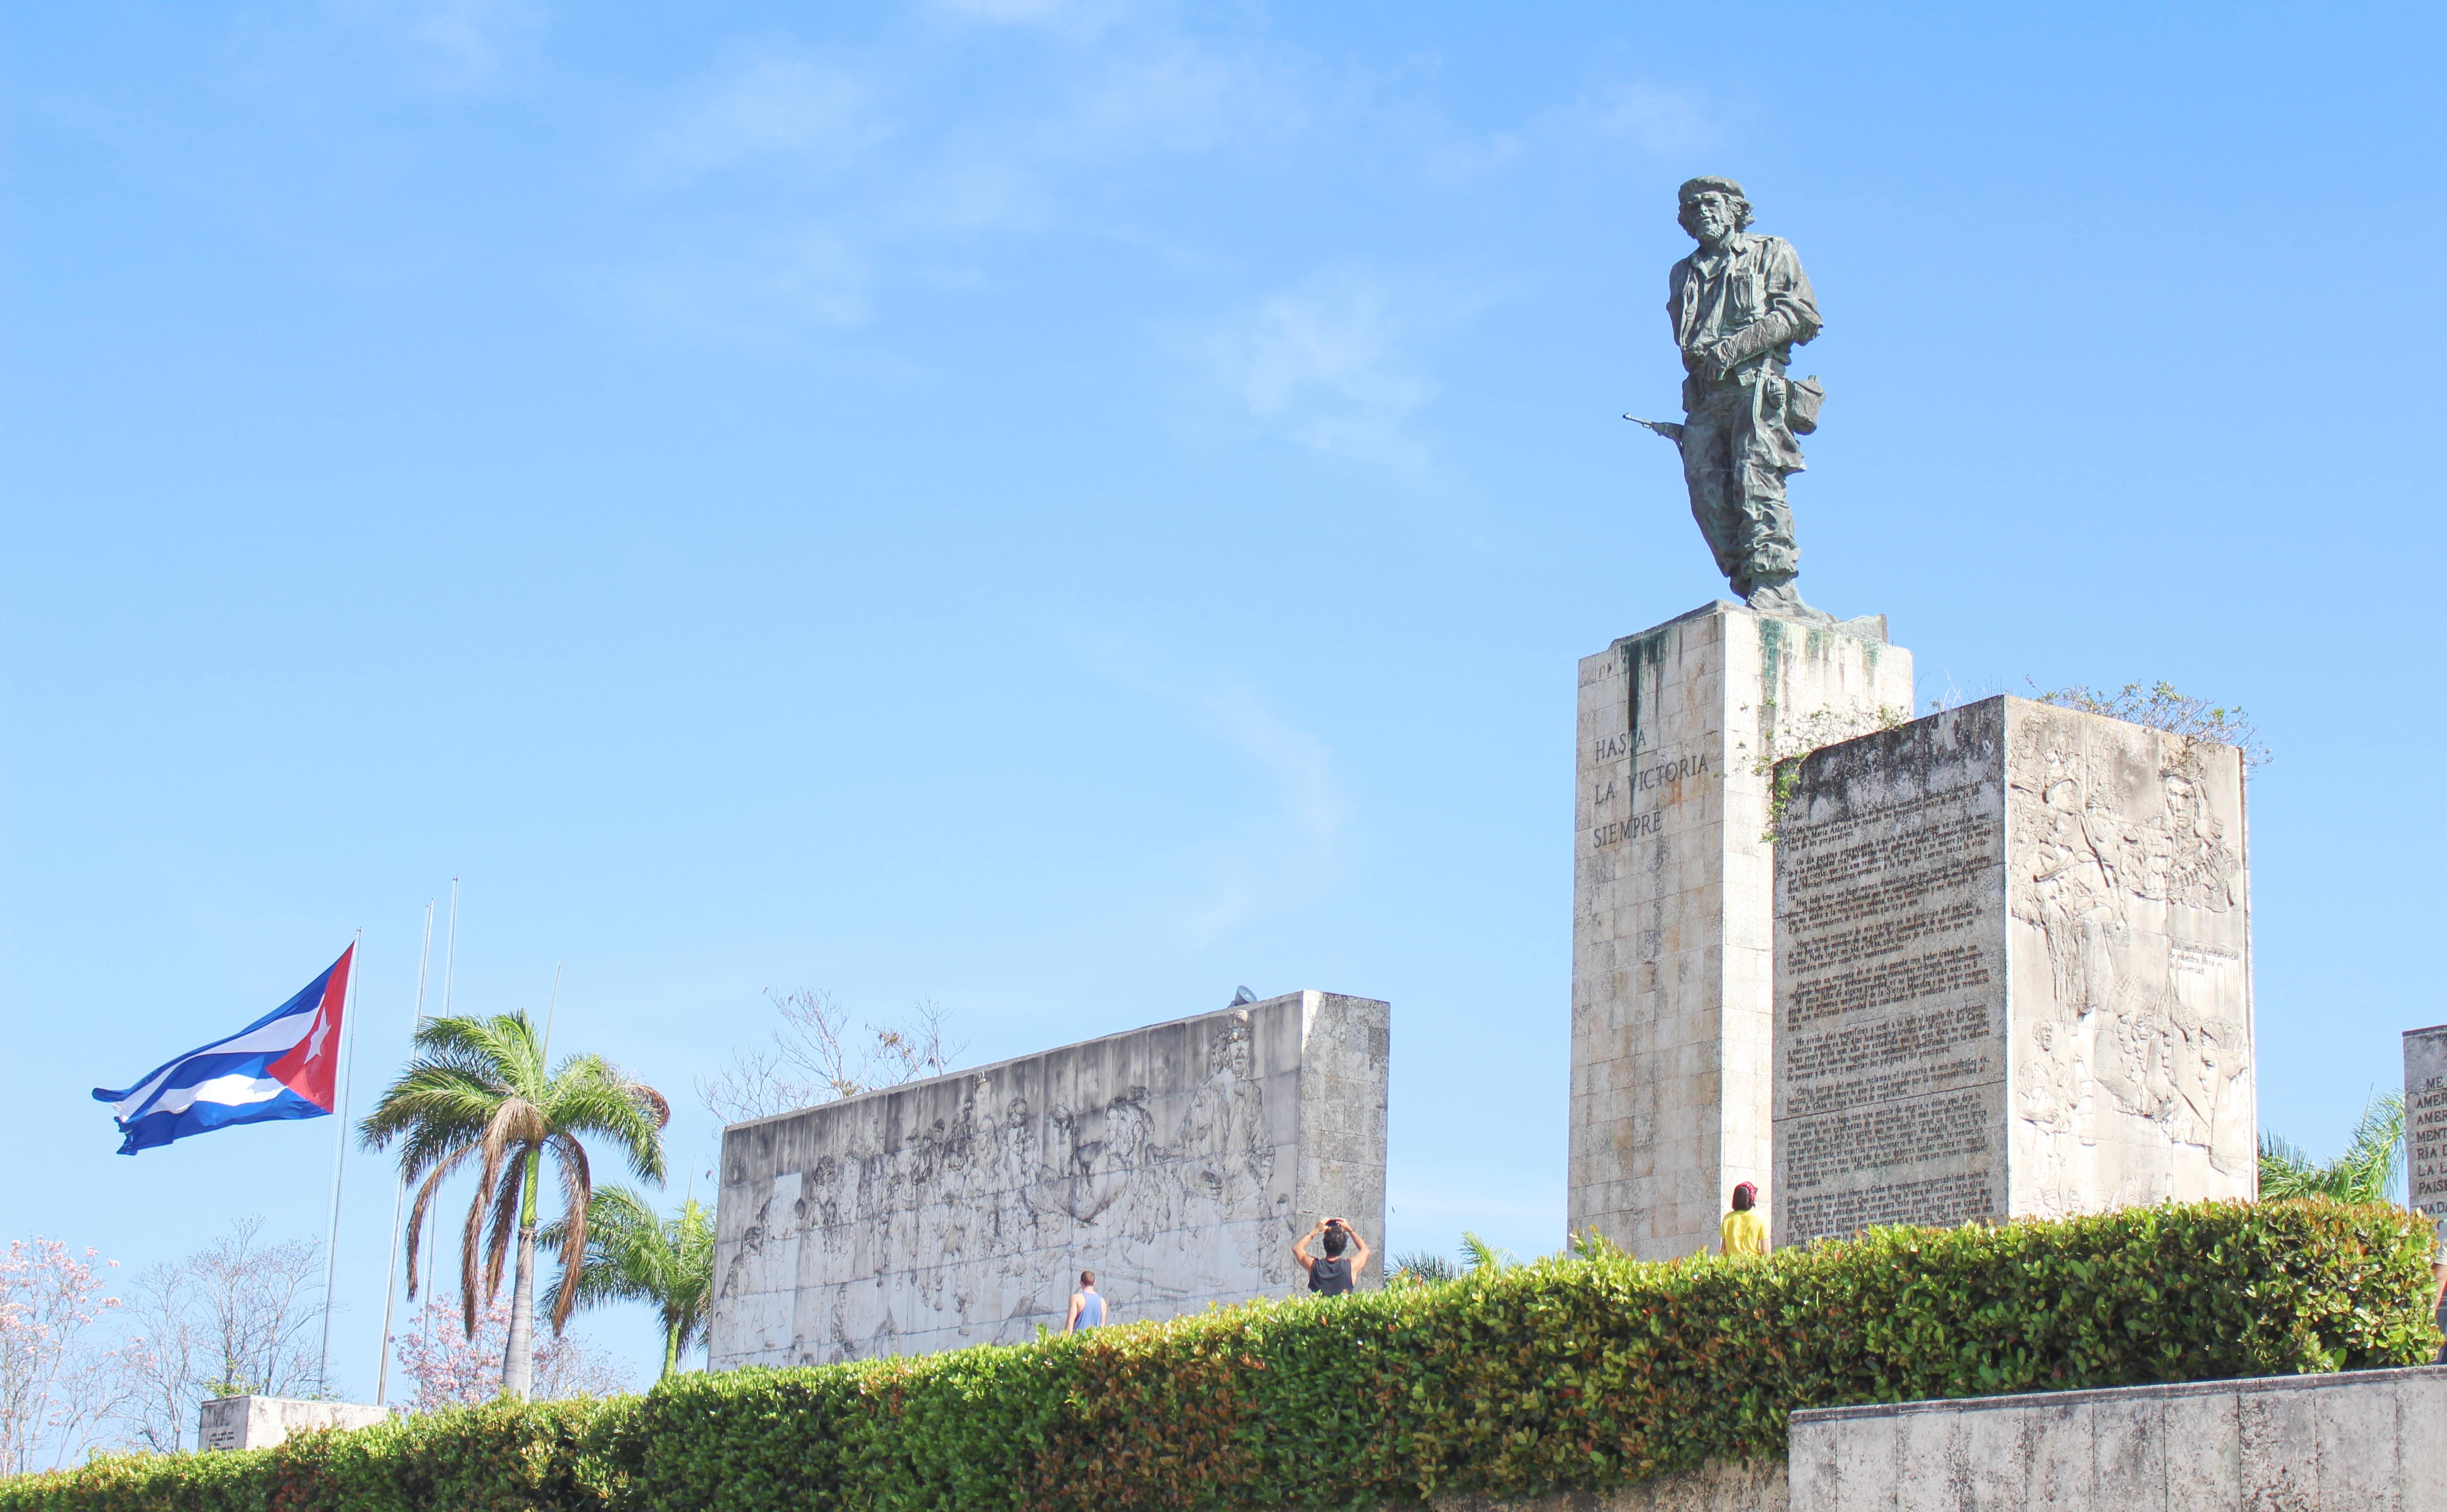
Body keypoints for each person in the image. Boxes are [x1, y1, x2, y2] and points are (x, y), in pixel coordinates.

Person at [1658, 176, 1830, 625]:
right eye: (1691, 208)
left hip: (1756, 384)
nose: (1702, 213)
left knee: (1757, 481)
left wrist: (1734, 349)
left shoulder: (1770, 252)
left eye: (1711, 203)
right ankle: (1746, 579)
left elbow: (1803, 315)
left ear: (1736, 209)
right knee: (1707, 494)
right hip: (1704, 396)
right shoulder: (1684, 272)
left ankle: (1774, 585)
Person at [1293, 1216, 1371, 1295]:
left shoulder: (1314, 1266)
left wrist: (1315, 1231)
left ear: (1324, 1243)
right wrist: (1350, 1229)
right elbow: (1366, 1250)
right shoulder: (1351, 1266)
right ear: (1344, 1245)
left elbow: (1297, 1249)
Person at [1720, 1182, 1769, 1257]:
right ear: (1752, 1198)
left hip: (1732, 1266)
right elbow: (1765, 1251)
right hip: (1754, 1266)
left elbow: (1723, 1251)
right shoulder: (1761, 1220)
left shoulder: (1727, 1219)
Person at [1062, 1270, 1105, 1334]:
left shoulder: (1077, 1299)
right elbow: (1102, 1327)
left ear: (1081, 1283)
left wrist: (1066, 1341)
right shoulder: (1103, 1302)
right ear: (1095, 1283)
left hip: (1078, 1340)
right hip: (1094, 1342)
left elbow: (1070, 1323)